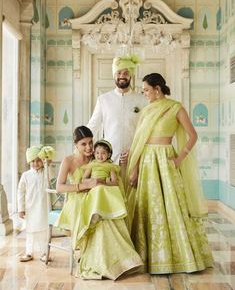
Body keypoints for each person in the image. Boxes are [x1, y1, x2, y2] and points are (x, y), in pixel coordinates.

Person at [126, 73, 214, 274]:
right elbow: (139, 141)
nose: (145, 94)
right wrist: (135, 168)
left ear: (157, 89)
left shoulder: (175, 108)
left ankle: (178, 257)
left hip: (166, 161)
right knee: (148, 206)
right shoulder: (147, 111)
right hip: (147, 160)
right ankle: (147, 257)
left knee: (172, 206)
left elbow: (193, 135)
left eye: (146, 90)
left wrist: (180, 158)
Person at [56, 126, 143, 280]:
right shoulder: (68, 160)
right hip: (77, 200)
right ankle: (100, 262)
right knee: (101, 216)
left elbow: (114, 179)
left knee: (105, 214)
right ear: (75, 144)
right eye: (83, 144)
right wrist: (84, 186)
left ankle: (117, 261)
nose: (89, 147)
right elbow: (59, 187)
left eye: (90, 142)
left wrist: (123, 165)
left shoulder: (98, 157)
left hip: (98, 199)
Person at [87, 53, 147, 164]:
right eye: (119, 73)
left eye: (126, 73)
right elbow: (92, 126)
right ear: (114, 75)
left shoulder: (142, 100)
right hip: (109, 158)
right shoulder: (103, 100)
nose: (122, 76)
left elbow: (146, 130)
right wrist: (81, 146)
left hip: (135, 157)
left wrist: (134, 151)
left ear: (131, 75)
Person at [17, 145, 56, 262]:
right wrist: (21, 208)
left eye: (38, 160)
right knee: (30, 231)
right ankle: (29, 252)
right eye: (33, 161)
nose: (36, 163)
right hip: (30, 207)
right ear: (29, 162)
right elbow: (20, 192)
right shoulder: (26, 175)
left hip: (43, 207)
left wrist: (48, 165)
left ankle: (45, 253)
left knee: (44, 231)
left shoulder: (46, 172)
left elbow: (53, 176)